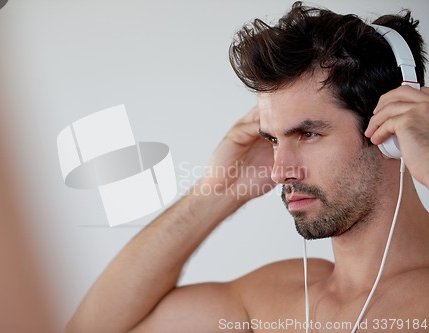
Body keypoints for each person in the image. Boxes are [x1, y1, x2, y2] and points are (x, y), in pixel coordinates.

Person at [66, 2, 429, 332]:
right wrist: (217, 192)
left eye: (307, 134)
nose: (279, 171)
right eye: (272, 140)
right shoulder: (269, 302)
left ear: (390, 133)